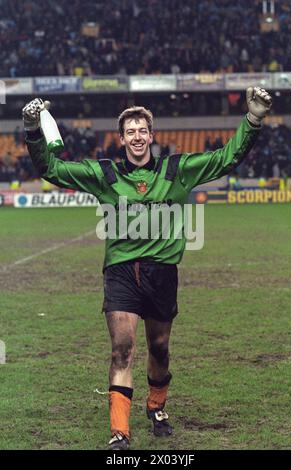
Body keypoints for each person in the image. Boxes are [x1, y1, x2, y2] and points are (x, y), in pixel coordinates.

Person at [22, 87, 272, 450]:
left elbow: (226, 159)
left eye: (143, 131)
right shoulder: (103, 174)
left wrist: (253, 119)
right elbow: (52, 168)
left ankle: (156, 407)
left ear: (151, 136)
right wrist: (32, 129)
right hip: (121, 271)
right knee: (122, 348)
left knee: (159, 348)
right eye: (130, 132)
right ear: (121, 138)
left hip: (162, 272)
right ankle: (119, 433)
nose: (137, 137)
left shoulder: (178, 169)